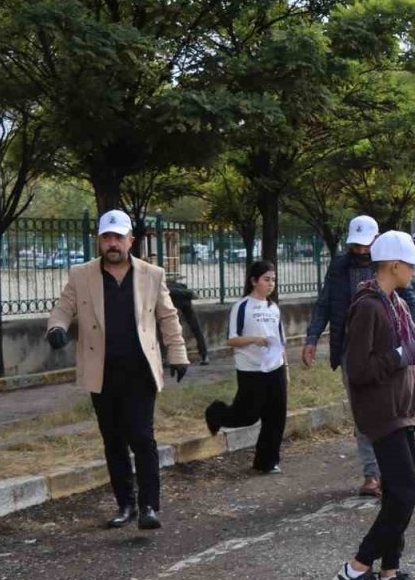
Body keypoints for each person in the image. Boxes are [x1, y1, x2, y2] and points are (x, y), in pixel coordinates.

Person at [46, 210, 188, 530]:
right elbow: (63, 308)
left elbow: (167, 317)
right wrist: (56, 328)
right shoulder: (81, 275)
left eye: (118, 237)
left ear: (130, 241)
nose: (112, 244)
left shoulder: (152, 275)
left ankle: (149, 505)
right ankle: (125, 504)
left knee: (141, 435)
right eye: (106, 237)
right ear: (99, 240)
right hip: (102, 371)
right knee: (113, 440)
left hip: (139, 371)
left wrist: (178, 355)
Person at [332, 231, 415, 580]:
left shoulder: (397, 303)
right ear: (393, 265)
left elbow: (414, 359)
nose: (414, 272)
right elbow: (358, 369)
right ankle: (357, 568)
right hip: (381, 413)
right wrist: (398, 353)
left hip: (403, 410)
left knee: (397, 493)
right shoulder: (369, 306)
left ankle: (390, 572)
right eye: (410, 264)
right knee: (407, 493)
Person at [303, 216, 415, 499]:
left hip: (387, 348)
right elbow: (325, 302)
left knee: (392, 409)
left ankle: (395, 470)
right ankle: (372, 474)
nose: (360, 251)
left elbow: (410, 303)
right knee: (364, 412)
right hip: (351, 349)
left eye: (365, 245)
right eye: (355, 246)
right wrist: (311, 338)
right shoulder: (339, 266)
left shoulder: (390, 267)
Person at [204, 260, 289, 473]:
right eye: (266, 279)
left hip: (275, 368)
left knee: (276, 417)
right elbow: (231, 340)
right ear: (253, 281)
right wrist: (254, 339)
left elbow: (280, 342)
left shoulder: (274, 308)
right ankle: (216, 413)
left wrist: (285, 369)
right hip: (251, 371)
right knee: (248, 415)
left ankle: (266, 462)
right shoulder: (242, 307)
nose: (271, 284)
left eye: (273, 280)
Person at [164, 274, 209, 365]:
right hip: (184, 301)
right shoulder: (169, 283)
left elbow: (170, 290)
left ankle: (168, 358)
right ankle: (204, 355)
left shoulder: (160, 282)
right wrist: (190, 293)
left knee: (170, 330)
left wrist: (189, 293)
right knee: (195, 329)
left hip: (177, 302)